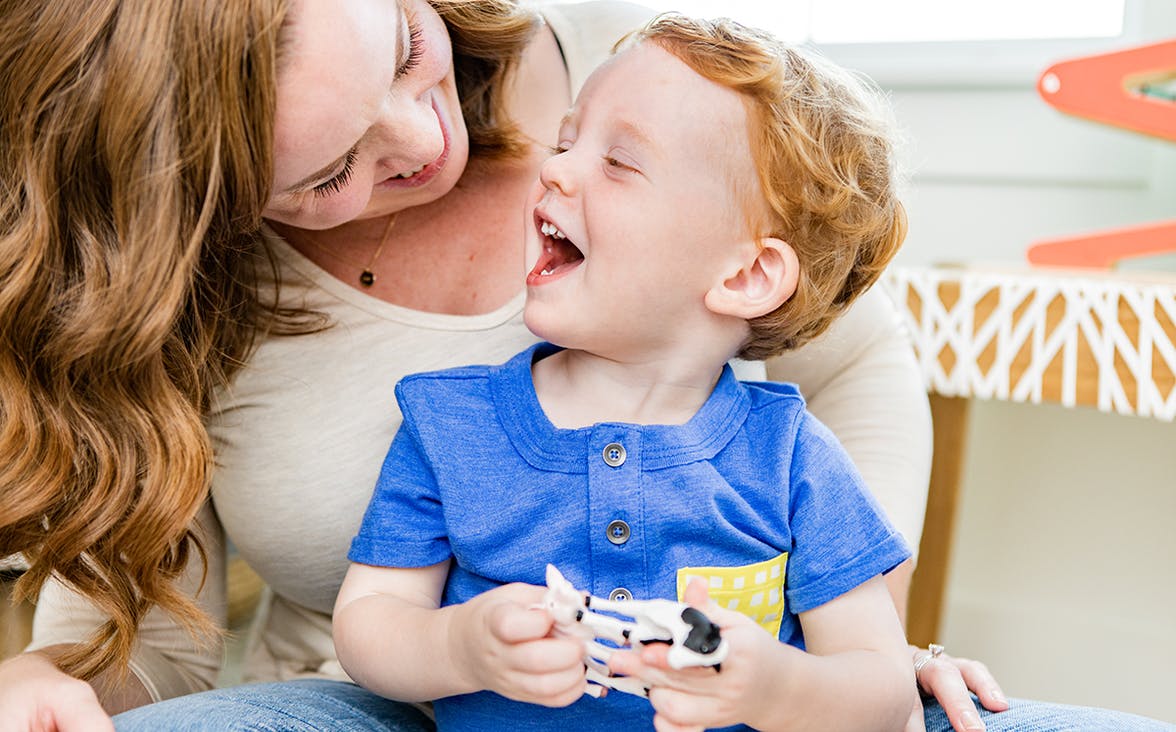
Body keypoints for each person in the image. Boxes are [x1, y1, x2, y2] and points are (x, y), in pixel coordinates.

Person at [0, 0, 1166, 730]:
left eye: (409, 55)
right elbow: (151, 634)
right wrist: (50, 677)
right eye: (325, 170)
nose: (427, 141)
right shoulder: (444, 418)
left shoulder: (664, 87)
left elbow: (855, 367)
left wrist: (826, 659)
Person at [333, 14, 917, 731]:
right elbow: (368, 621)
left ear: (748, 274)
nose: (553, 168)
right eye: (567, 139)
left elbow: (885, 690)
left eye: (619, 162)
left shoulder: (792, 456)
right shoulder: (451, 427)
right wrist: (459, 647)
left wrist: (776, 688)